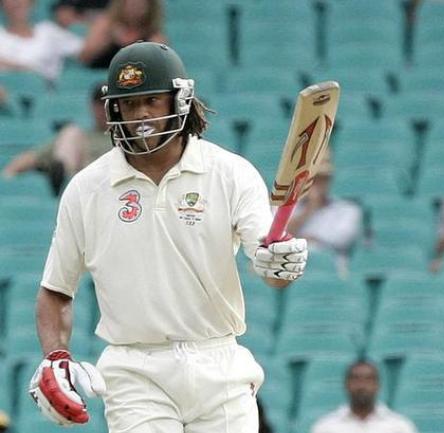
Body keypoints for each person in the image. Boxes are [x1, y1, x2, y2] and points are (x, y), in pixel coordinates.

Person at [27, 41, 308, 432]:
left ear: (181, 100)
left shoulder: (230, 173)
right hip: (134, 371)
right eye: (129, 104)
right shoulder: (87, 188)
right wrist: (55, 355)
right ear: (113, 110)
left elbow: (272, 271)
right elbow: (56, 290)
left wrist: (281, 261)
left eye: (153, 101)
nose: (140, 115)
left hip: (219, 365)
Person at [2, 82, 111, 193]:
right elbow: (33, 156)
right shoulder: (81, 136)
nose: (104, 109)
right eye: (100, 104)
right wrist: (7, 175)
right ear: (92, 106)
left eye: (108, 104)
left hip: (112, 183)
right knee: (71, 133)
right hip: (83, 184)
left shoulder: (124, 138)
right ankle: (65, 178)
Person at [286, 153, 362, 275]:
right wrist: (309, 210)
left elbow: (342, 239)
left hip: (332, 271)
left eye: (321, 179)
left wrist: (306, 239)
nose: (316, 184)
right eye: (311, 179)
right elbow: (277, 236)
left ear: (329, 180)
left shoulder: (347, 210)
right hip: (291, 271)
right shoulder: (286, 208)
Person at [311, 360, 418, 433]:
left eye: (369, 380)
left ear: (378, 385)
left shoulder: (399, 427)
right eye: (355, 379)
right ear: (346, 385)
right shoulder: (326, 427)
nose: (362, 386)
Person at [0, 0, 83, 81]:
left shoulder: (49, 31)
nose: (17, 2)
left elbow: (86, 51)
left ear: (32, 3)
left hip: (49, 92)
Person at [79, 0, 165, 69]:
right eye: (132, 4)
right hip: (101, 74)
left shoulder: (153, 34)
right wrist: (110, 38)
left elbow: (162, 62)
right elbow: (85, 56)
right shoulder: (106, 24)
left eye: (141, 6)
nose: (135, 9)